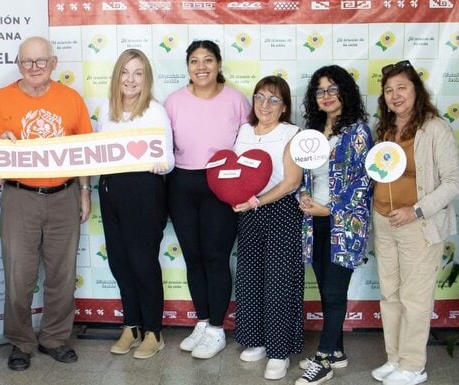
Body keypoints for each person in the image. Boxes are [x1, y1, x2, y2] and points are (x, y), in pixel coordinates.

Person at [0, 36, 93, 370]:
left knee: (62, 275)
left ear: (54, 63)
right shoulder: (0, 100)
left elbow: (85, 150)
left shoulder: (71, 99)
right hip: (19, 198)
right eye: (27, 62)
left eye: (41, 62)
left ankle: (55, 338)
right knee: (19, 276)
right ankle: (21, 342)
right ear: (19, 64)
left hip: (64, 196)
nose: (34, 68)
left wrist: (85, 191)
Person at [370, 60, 459, 385]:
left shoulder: (434, 128)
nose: (395, 95)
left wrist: (417, 210)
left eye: (402, 88)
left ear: (416, 91)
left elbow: (454, 181)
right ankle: (395, 358)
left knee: (415, 298)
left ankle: (413, 365)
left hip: (418, 226)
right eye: (389, 90)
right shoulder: (383, 128)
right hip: (383, 222)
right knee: (390, 294)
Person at [163, 40, 250, 359]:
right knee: (193, 257)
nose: (202, 66)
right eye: (195, 61)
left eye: (208, 60)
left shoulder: (236, 100)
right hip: (182, 183)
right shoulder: (172, 102)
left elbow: (249, 145)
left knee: (216, 257)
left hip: (221, 183)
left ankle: (216, 329)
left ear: (219, 64)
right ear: (187, 66)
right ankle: (201, 321)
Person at [296, 65, 373, 385]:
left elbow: (364, 183)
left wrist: (331, 209)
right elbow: (303, 175)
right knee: (327, 291)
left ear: (345, 92)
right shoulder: (311, 134)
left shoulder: (358, 131)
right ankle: (337, 351)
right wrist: (303, 197)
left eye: (332, 89)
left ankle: (324, 358)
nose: (326, 96)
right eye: (319, 90)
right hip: (314, 223)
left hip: (344, 224)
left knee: (334, 290)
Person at [96, 49, 174, 359]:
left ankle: (153, 332)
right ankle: (131, 325)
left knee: (143, 264)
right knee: (120, 263)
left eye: (138, 73)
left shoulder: (155, 111)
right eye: (125, 72)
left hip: (143, 191)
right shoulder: (106, 109)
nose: (130, 79)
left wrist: (158, 164)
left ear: (147, 79)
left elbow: (168, 158)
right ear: (117, 76)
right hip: (110, 189)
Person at [231, 76, 304, 380]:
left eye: (274, 99)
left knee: (278, 282)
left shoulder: (291, 133)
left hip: (280, 211)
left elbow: (292, 181)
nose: (265, 105)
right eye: (260, 97)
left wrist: (258, 201)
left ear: (284, 106)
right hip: (248, 213)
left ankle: (279, 351)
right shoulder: (245, 131)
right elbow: (233, 171)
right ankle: (257, 340)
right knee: (249, 277)